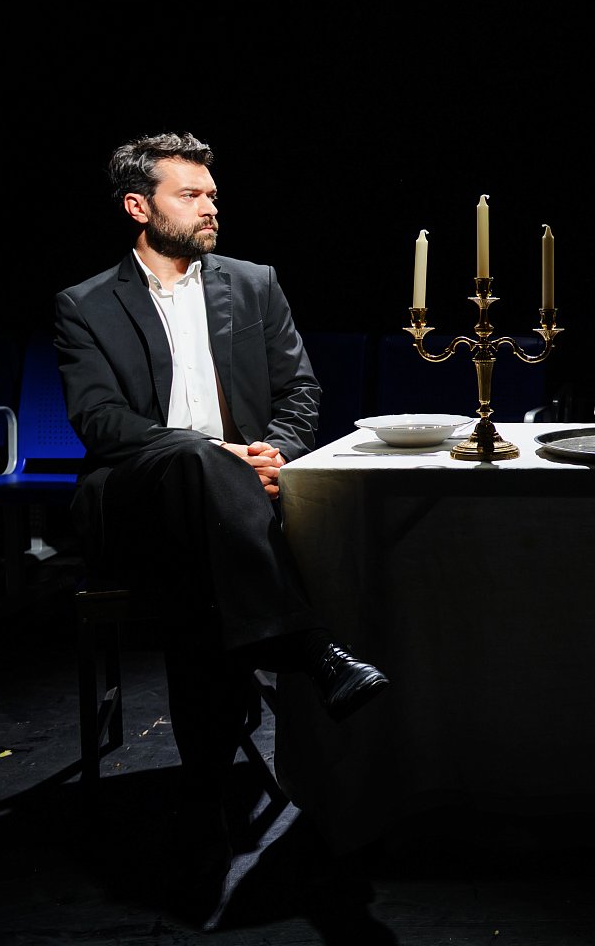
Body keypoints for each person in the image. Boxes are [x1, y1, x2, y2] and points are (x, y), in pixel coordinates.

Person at [53, 132, 389, 892]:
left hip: (234, 508)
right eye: (190, 194)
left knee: (202, 591)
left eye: (212, 194)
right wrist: (219, 457)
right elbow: (101, 421)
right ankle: (310, 649)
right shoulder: (85, 304)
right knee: (192, 460)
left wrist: (274, 451)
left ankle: (203, 793)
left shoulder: (254, 284)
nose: (211, 206)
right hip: (136, 498)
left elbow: (300, 391)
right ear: (139, 207)